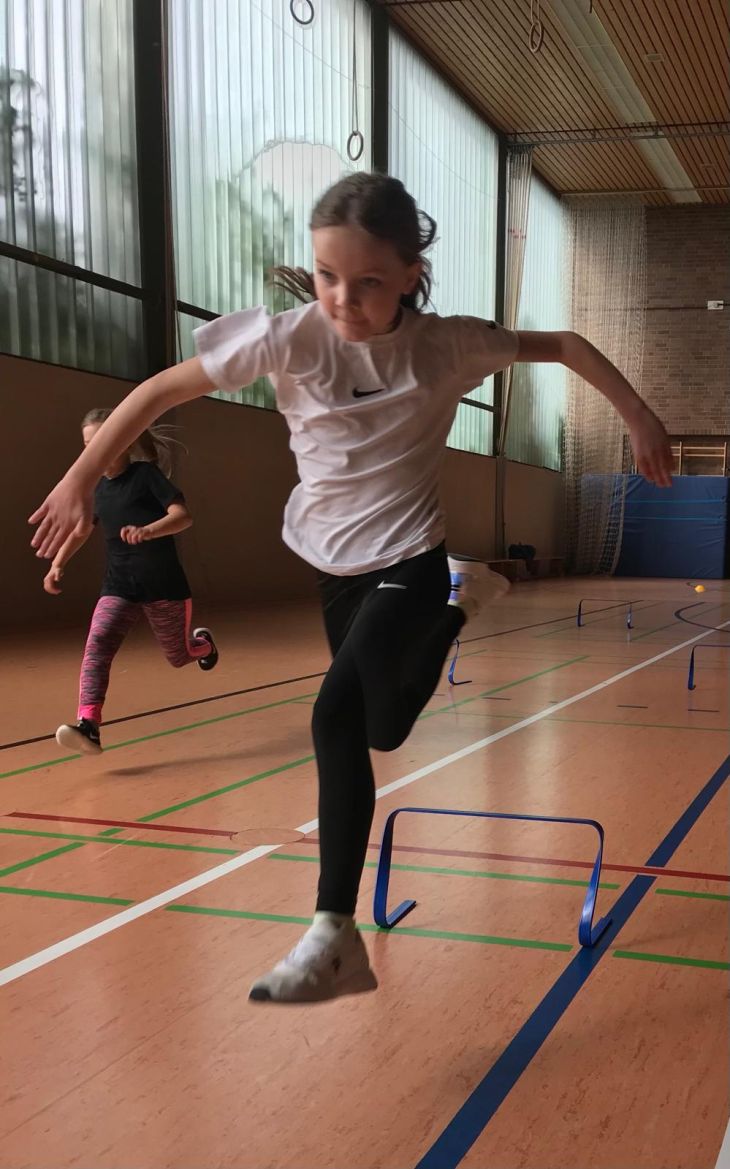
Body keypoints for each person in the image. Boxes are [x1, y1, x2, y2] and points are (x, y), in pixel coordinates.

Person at [29, 172, 672, 1000]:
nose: (342, 299)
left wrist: (638, 414)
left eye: (368, 281)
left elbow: (566, 345)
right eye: (327, 275)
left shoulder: (447, 346)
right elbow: (160, 389)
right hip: (331, 563)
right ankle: (465, 602)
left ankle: (334, 934)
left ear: (409, 275)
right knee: (383, 728)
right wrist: (81, 476)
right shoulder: (288, 339)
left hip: (407, 555)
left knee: (332, 714)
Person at [44, 408, 218, 755]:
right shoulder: (96, 489)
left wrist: (148, 531)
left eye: (100, 442)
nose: (93, 452)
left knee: (179, 655)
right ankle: (89, 725)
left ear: (121, 441)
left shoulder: (145, 475)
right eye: (87, 446)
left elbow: (182, 517)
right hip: (119, 585)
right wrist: (57, 563)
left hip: (164, 586)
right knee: (98, 644)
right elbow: (81, 530)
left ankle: (205, 645)